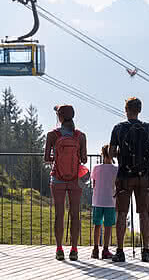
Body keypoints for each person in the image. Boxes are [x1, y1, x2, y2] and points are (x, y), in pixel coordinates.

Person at [109, 97, 149, 262]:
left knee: (122, 213)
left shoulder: (118, 128)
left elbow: (111, 152)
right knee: (144, 213)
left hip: (124, 176)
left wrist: (121, 154)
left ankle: (120, 251)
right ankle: (145, 251)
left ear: (126, 109)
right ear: (139, 110)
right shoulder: (148, 128)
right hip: (143, 175)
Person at [44, 104, 87, 261]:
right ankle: (74, 250)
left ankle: (59, 249)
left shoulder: (52, 135)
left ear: (59, 117)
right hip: (75, 179)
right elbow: (84, 159)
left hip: (57, 179)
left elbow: (46, 158)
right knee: (75, 214)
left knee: (59, 214)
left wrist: (58, 158)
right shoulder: (80, 136)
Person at [90, 144, 118, 259]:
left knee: (97, 225)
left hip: (97, 200)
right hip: (110, 201)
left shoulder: (96, 168)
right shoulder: (116, 169)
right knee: (108, 226)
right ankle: (105, 250)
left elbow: (94, 184)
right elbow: (117, 185)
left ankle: (95, 249)